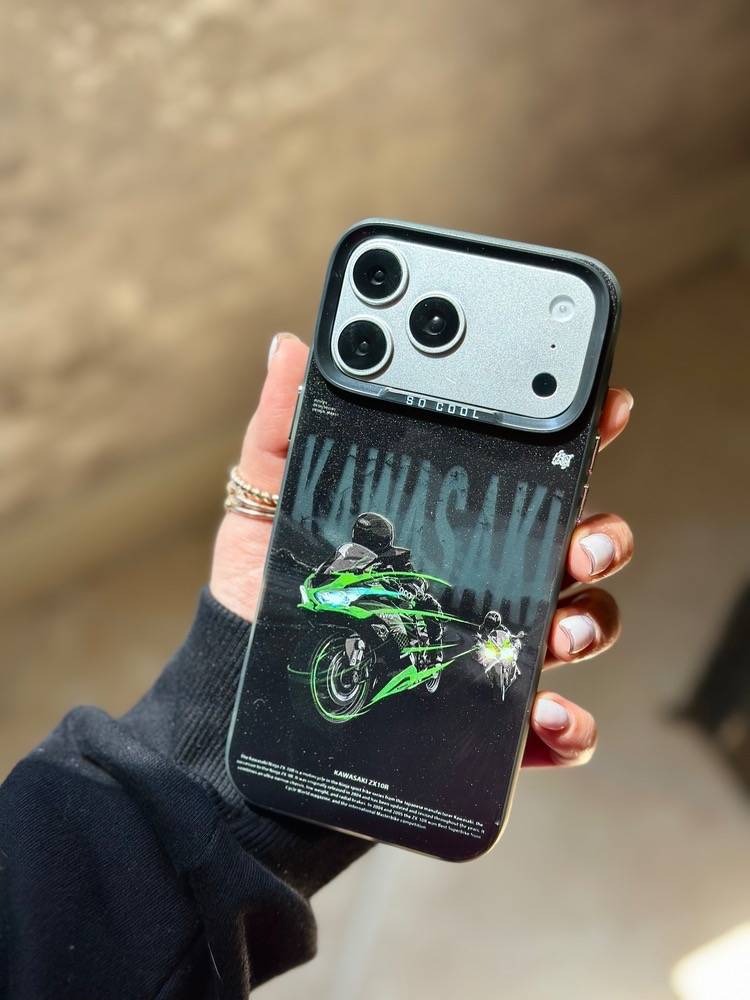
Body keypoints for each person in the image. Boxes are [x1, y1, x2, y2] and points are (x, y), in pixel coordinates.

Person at [0, 332, 634, 999]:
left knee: (469, 628)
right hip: (317, 669)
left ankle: (448, 664)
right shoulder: (352, 556)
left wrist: (212, 767)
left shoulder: (395, 565)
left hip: (394, 635)